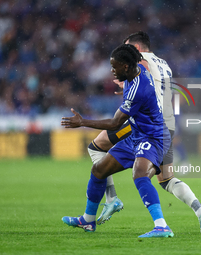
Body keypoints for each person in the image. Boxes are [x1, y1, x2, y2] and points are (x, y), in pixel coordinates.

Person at [87, 31, 201, 233]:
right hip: (166, 124)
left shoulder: (142, 62)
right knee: (166, 179)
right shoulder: (164, 63)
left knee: (96, 146)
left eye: (127, 47)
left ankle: (111, 199)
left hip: (147, 124)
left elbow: (139, 84)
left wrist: (124, 86)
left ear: (136, 50)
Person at [61, 44, 174, 238]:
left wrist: (83, 122)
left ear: (127, 67)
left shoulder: (138, 88)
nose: (112, 70)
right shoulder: (137, 73)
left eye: (115, 66)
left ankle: (162, 226)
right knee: (99, 170)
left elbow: (114, 124)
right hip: (137, 136)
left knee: (140, 174)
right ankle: (88, 220)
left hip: (154, 138)